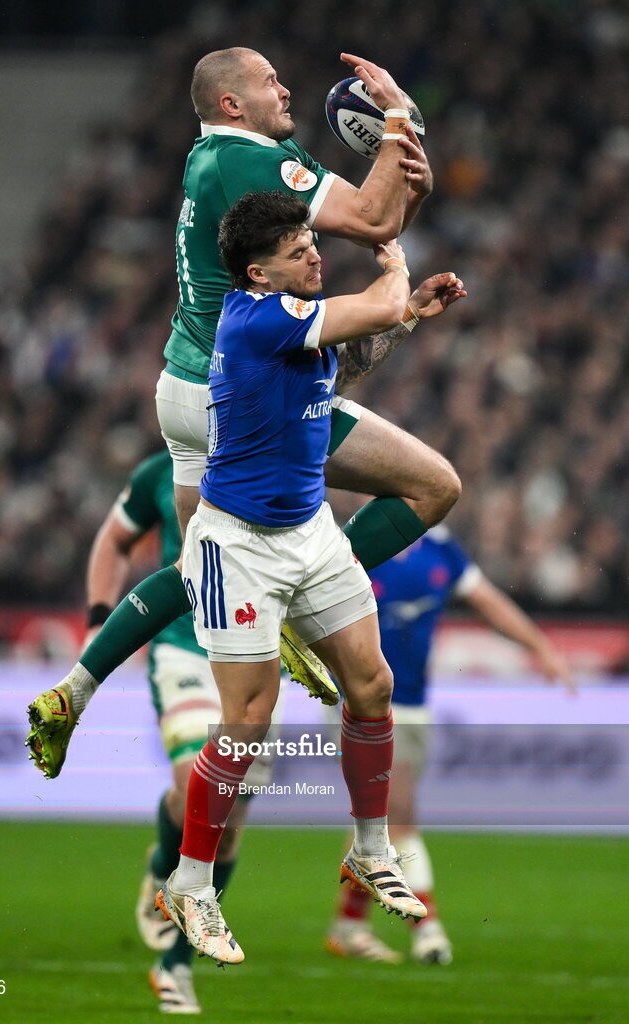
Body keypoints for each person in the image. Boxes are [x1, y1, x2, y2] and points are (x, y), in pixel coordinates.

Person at [26, 46, 462, 779]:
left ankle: (74, 690)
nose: (285, 88)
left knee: (200, 564)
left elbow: (383, 219)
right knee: (432, 485)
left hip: (188, 386)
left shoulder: (236, 159)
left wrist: (405, 172)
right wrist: (393, 110)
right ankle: (305, 605)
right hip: (247, 393)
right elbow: (372, 216)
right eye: (268, 82)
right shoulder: (247, 162)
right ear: (231, 103)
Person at [153, 189, 465, 966]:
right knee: (247, 723)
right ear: (258, 273)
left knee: (372, 686)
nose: (314, 255)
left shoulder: (288, 321)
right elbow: (374, 301)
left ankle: (367, 848)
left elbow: (342, 366)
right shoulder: (257, 317)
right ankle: (190, 882)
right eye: (298, 251)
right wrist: (392, 259)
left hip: (310, 533)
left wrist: (409, 316)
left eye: (311, 244)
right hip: (240, 544)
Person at [324, 525, 575, 965]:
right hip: (360, 702)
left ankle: (349, 924)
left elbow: (487, 601)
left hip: (415, 704)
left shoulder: (441, 549)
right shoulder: (355, 540)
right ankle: (428, 930)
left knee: (378, 817)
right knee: (398, 814)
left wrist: (539, 645)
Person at [84, 448, 278, 1012]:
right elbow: (113, 541)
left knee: (233, 810)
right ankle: (164, 881)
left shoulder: (282, 458)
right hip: (184, 649)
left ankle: (176, 962)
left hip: (258, 656)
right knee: (201, 779)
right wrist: (100, 620)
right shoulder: (160, 471)